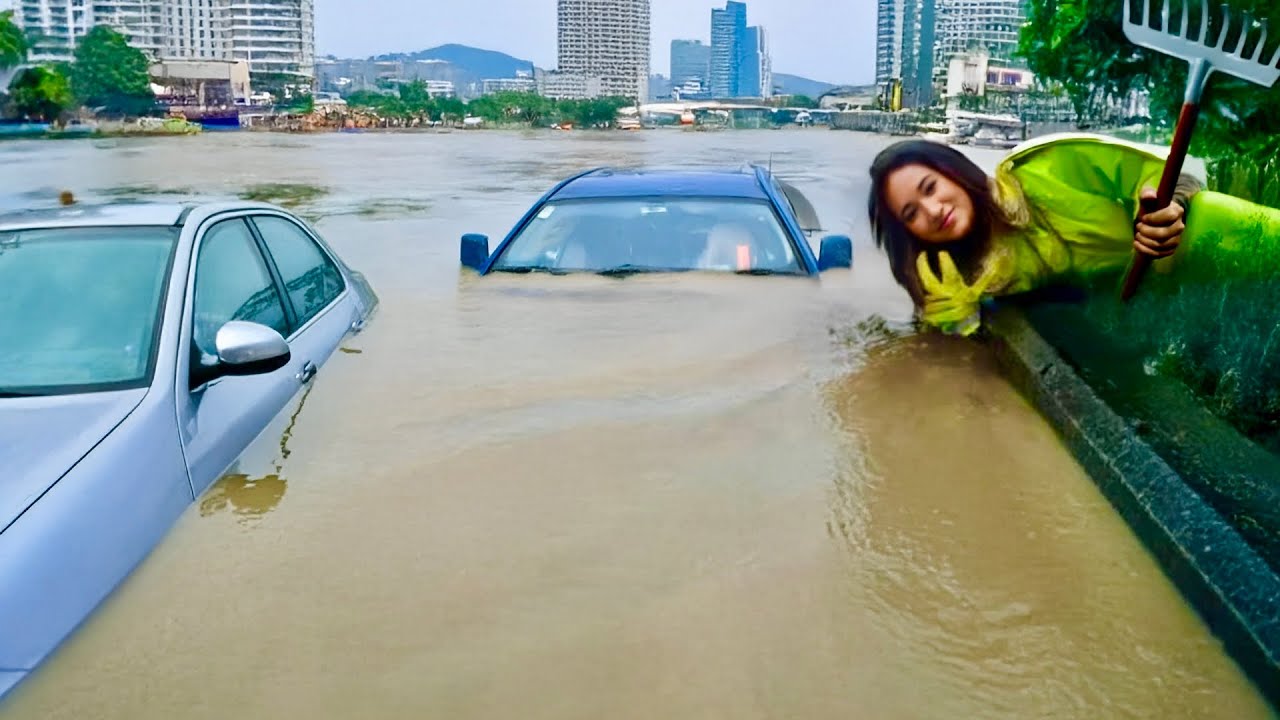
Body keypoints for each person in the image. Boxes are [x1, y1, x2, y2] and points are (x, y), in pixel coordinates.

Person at [867, 132, 1280, 336]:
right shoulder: (957, 274)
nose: (932, 211)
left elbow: (1175, 168)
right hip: (1153, 317)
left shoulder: (1046, 164)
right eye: (911, 213)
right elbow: (952, 349)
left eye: (930, 188)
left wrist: (1168, 206)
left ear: (954, 172)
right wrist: (952, 316)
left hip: (1191, 251)